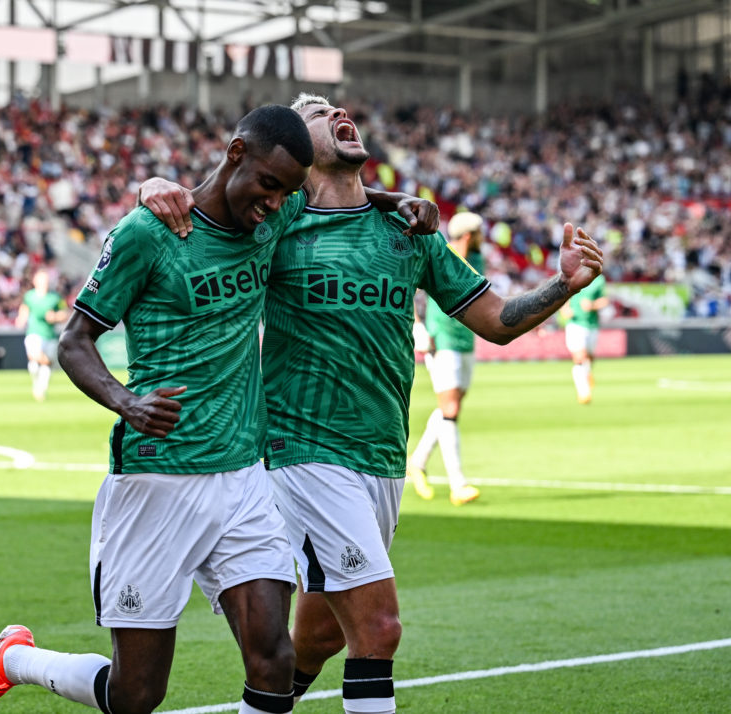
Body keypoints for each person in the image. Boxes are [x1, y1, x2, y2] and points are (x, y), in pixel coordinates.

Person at [140, 93, 603, 714]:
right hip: (301, 451)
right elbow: (206, 207)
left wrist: (562, 284)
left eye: (337, 108)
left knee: (325, 633)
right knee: (379, 628)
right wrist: (154, 187)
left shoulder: (408, 230)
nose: (336, 114)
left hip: (381, 456)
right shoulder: (278, 221)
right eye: (316, 114)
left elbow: (494, 321)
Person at [0, 104, 316, 714]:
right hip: (156, 482)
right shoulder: (148, 233)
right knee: (136, 695)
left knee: (275, 659)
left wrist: (398, 202)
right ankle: (13, 660)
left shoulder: (273, 216)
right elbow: (74, 342)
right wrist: (127, 402)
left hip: (242, 477)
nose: (275, 203)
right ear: (234, 154)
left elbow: (333, 188)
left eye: (287, 193)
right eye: (268, 185)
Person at [406, 211, 487, 505]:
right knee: (450, 409)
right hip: (443, 339)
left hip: (466, 339)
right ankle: (458, 483)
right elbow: (410, 286)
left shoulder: (477, 259)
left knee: (449, 409)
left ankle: (417, 462)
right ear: (468, 235)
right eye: (478, 232)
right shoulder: (441, 253)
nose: (482, 237)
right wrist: (417, 325)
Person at [14, 267, 68, 401]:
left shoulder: (55, 298)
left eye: (46, 279)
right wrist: (20, 320)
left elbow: (66, 313)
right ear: (35, 280)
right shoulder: (29, 296)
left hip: (49, 335)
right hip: (34, 333)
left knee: (46, 365)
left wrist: (55, 317)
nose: (44, 282)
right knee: (35, 357)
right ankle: (37, 384)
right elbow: (24, 310)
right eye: (41, 279)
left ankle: (40, 389)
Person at [561, 273, 609, 404]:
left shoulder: (599, 280)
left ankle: (587, 373)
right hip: (575, 324)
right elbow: (564, 296)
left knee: (590, 357)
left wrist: (592, 305)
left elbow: (604, 300)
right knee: (579, 357)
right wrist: (564, 309)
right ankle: (584, 392)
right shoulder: (572, 276)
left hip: (592, 325)